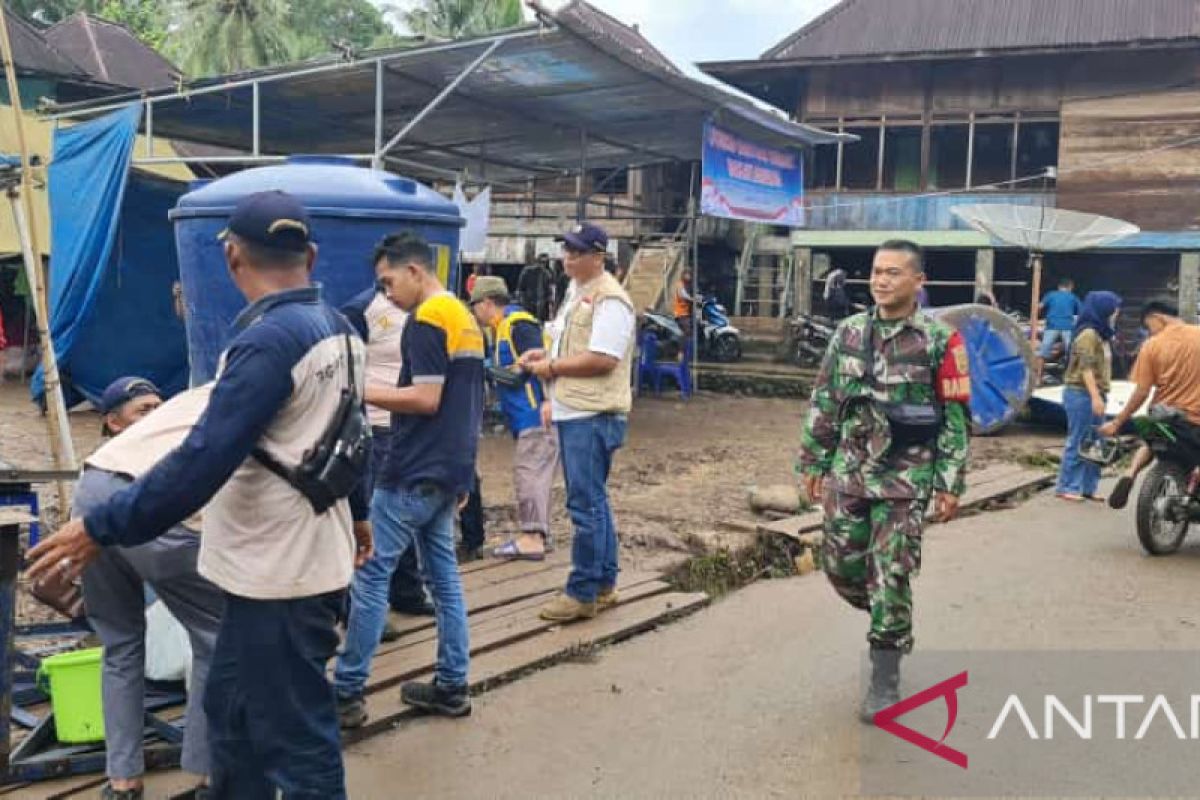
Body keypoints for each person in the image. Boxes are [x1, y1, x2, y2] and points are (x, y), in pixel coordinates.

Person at [27, 190, 373, 798]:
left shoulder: (268, 341)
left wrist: (99, 526)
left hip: (280, 580)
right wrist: (361, 513)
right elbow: (354, 436)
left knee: (299, 742)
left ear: (233, 259)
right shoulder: (340, 330)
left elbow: (202, 459)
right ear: (311, 256)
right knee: (232, 717)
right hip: (265, 576)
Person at [797, 239, 970, 722]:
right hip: (849, 474)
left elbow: (956, 416)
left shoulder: (941, 340)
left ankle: (885, 673)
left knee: (891, 571)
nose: (881, 280)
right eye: (876, 271)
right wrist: (812, 462)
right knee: (842, 566)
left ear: (918, 281)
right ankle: (882, 610)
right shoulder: (848, 333)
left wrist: (949, 482)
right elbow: (825, 399)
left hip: (905, 479)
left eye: (893, 272)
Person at [335, 232, 483, 726]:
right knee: (443, 579)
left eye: (388, 282)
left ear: (415, 271)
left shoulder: (425, 319)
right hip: (447, 470)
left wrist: (360, 389)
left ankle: (348, 691)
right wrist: (463, 472)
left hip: (411, 470)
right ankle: (451, 684)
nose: (386, 295)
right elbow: (467, 405)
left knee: (371, 576)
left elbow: (426, 399)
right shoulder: (464, 316)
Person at [80, 380, 223, 800]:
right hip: (146, 507)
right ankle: (209, 775)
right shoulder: (247, 393)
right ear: (111, 421)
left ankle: (122, 781)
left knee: (119, 645)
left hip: (90, 496)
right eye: (142, 408)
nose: (154, 412)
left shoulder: (188, 404)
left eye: (155, 405)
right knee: (217, 638)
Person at [520, 222, 636, 623]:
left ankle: (582, 591)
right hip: (578, 409)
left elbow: (603, 358)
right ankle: (603, 584)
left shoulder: (610, 300)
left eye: (577, 251)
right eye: (566, 250)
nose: (568, 257)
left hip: (593, 414)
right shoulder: (577, 294)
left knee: (585, 505)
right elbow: (573, 346)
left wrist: (551, 366)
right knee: (595, 500)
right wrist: (542, 355)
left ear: (598, 256)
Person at [341, 285, 436, 636]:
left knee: (402, 514)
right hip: (375, 426)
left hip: (408, 428)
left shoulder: (425, 310)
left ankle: (407, 591)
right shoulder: (361, 309)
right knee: (370, 518)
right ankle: (361, 610)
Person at [469, 275, 559, 561]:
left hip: (534, 414)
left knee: (529, 473)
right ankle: (539, 533)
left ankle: (532, 536)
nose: (473, 312)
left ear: (486, 303)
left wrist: (547, 400)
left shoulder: (519, 324)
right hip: (523, 416)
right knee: (533, 473)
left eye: (475, 306)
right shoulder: (502, 328)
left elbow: (537, 366)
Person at [1100, 302, 1200, 508]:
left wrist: (1117, 422)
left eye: (1148, 326)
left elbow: (1142, 392)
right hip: (1194, 419)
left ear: (1158, 317)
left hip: (1162, 416)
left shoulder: (1152, 345)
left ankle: (1131, 473)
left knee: (1150, 443)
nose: (1149, 331)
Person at [1055, 292, 1122, 502]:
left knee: (1096, 441)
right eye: (1114, 309)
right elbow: (1085, 369)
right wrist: (1095, 397)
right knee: (1079, 439)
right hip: (1081, 393)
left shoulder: (1103, 334)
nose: (1116, 313)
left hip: (1097, 392)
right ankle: (1067, 486)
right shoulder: (1088, 334)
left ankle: (1087, 488)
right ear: (1104, 310)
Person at [1039, 278, 1081, 361]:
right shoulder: (1073, 297)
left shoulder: (1050, 295)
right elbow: (1082, 312)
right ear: (1070, 287)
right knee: (1071, 352)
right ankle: (1068, 368)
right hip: (1067, 326)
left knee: (1043, 352)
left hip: (1052, 325)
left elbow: (1039, 306)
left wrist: (1038, 317)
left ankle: (1040, 371)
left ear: (1059, 287)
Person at [674, 268, 695, 336]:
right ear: (684, 275)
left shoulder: (688, 285)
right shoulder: (680, 284)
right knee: (687, 331)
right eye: (688, 274)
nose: (690, 276)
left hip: (686, 312)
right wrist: (691, 299)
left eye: (690, 275)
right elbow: (682, 295)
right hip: (681, 313)